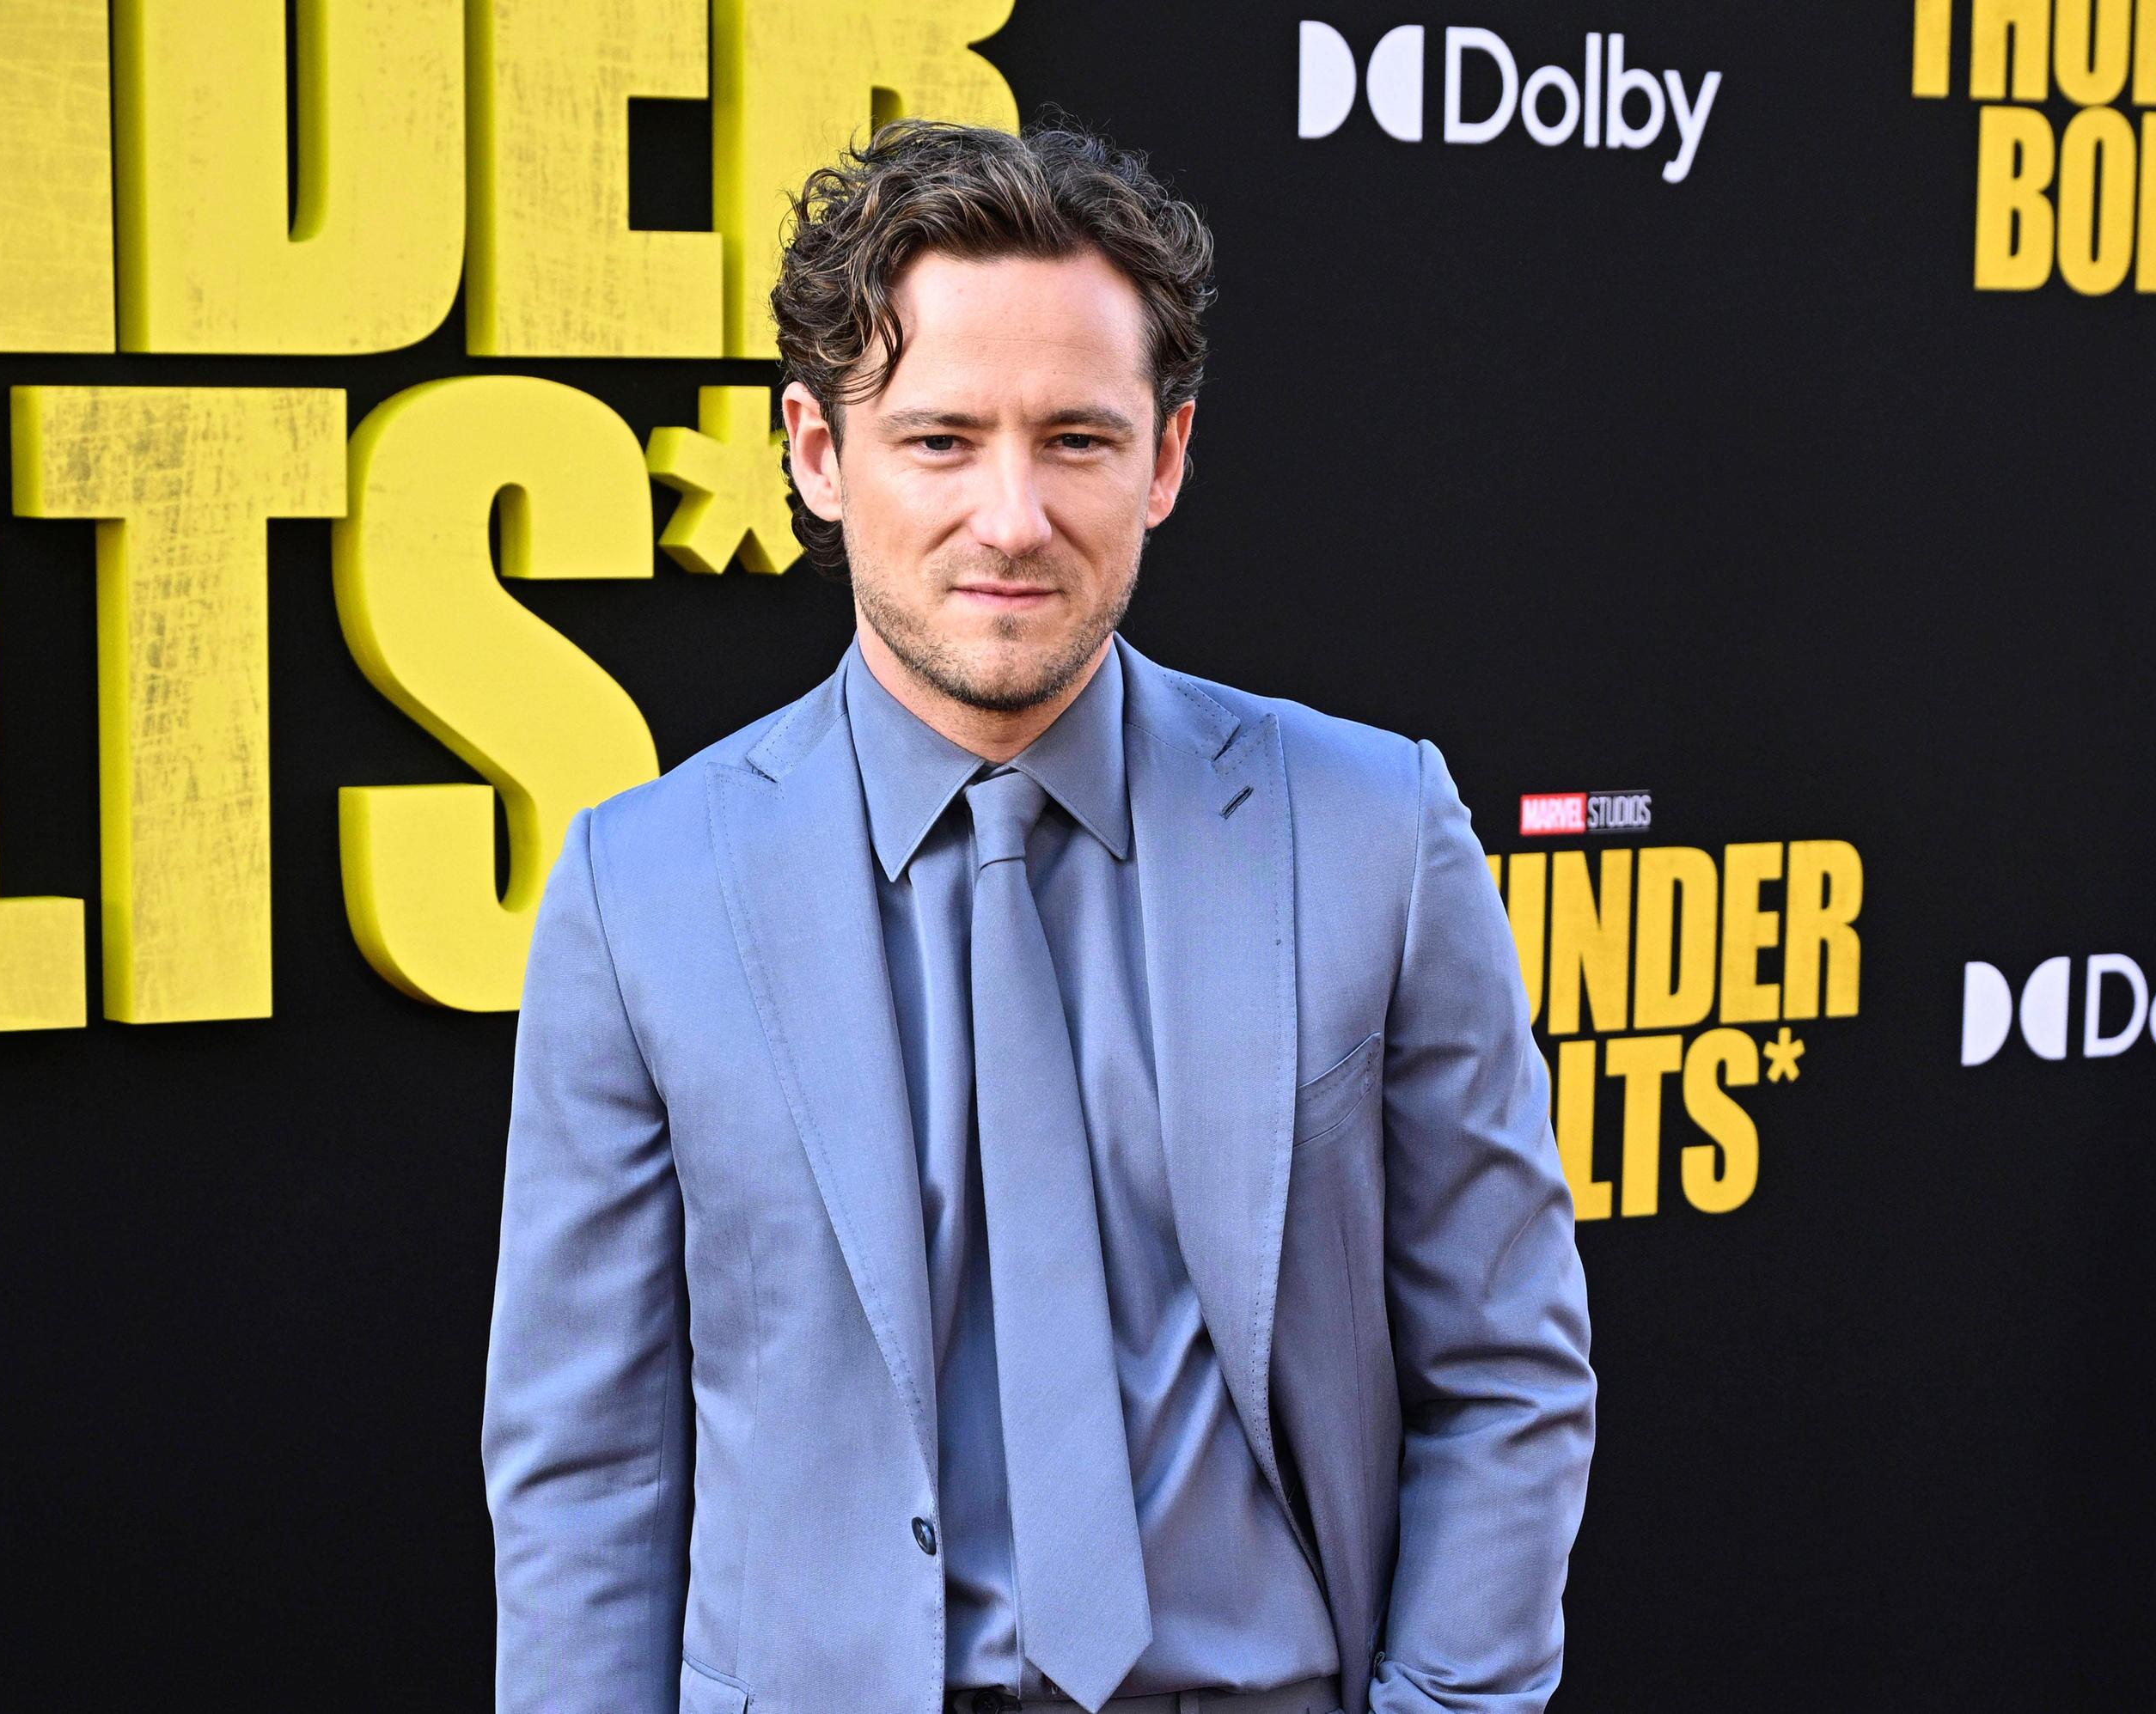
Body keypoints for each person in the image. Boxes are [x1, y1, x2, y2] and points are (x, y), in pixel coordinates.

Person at [482, 118, 1594, 1714]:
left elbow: (1504, 1370)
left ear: (1167, 455)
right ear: (816, 454)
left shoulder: (1372, 831)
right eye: (940, 440)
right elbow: (589, 1470)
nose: (1012, 518)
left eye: (1076, 439)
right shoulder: (640, 889)